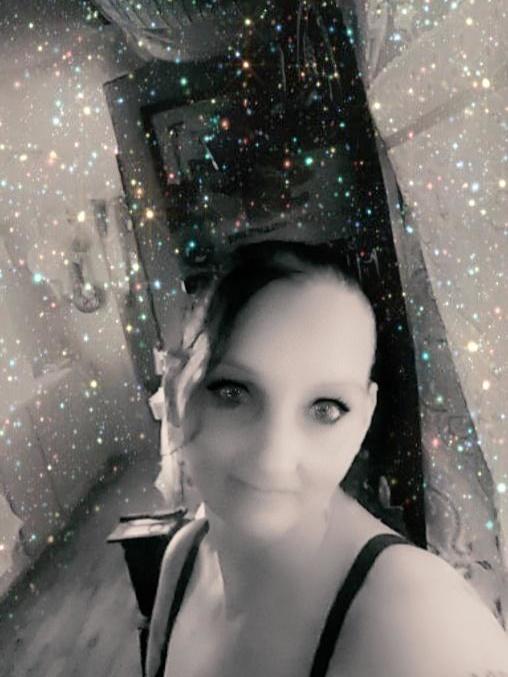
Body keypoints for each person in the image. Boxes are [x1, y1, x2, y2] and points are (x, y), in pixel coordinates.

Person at [146, 240, 508, 677]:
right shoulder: (183, 560)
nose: (273, 457)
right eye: (232, 392)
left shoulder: (415, 627)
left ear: (362, 420)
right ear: (175, 394)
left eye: (325, 409)